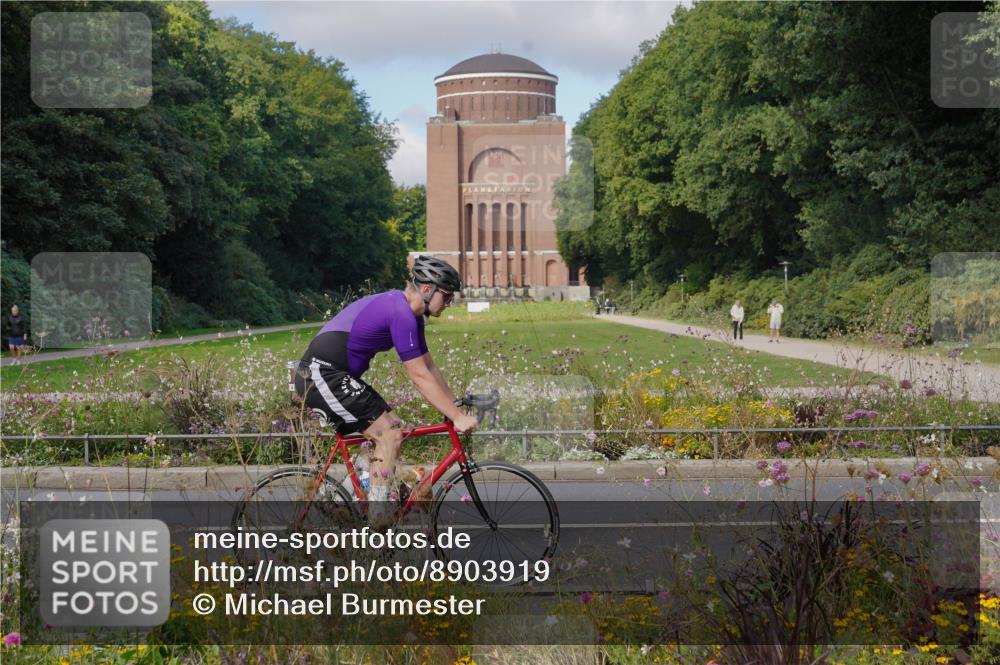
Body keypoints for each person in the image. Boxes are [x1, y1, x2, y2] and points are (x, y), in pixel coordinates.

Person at [294, 256, 478, 526]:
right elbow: (417, 375)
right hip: (320, 375)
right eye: (447, 295)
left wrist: (455, 408)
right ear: (427, 290)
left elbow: (429, 367)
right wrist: (458, 417)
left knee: (383, 433)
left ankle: (334, 497)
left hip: (334, 375)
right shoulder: (400, 312)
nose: (450, 303)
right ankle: (378, 521)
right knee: (389, 431)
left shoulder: (411, 316)